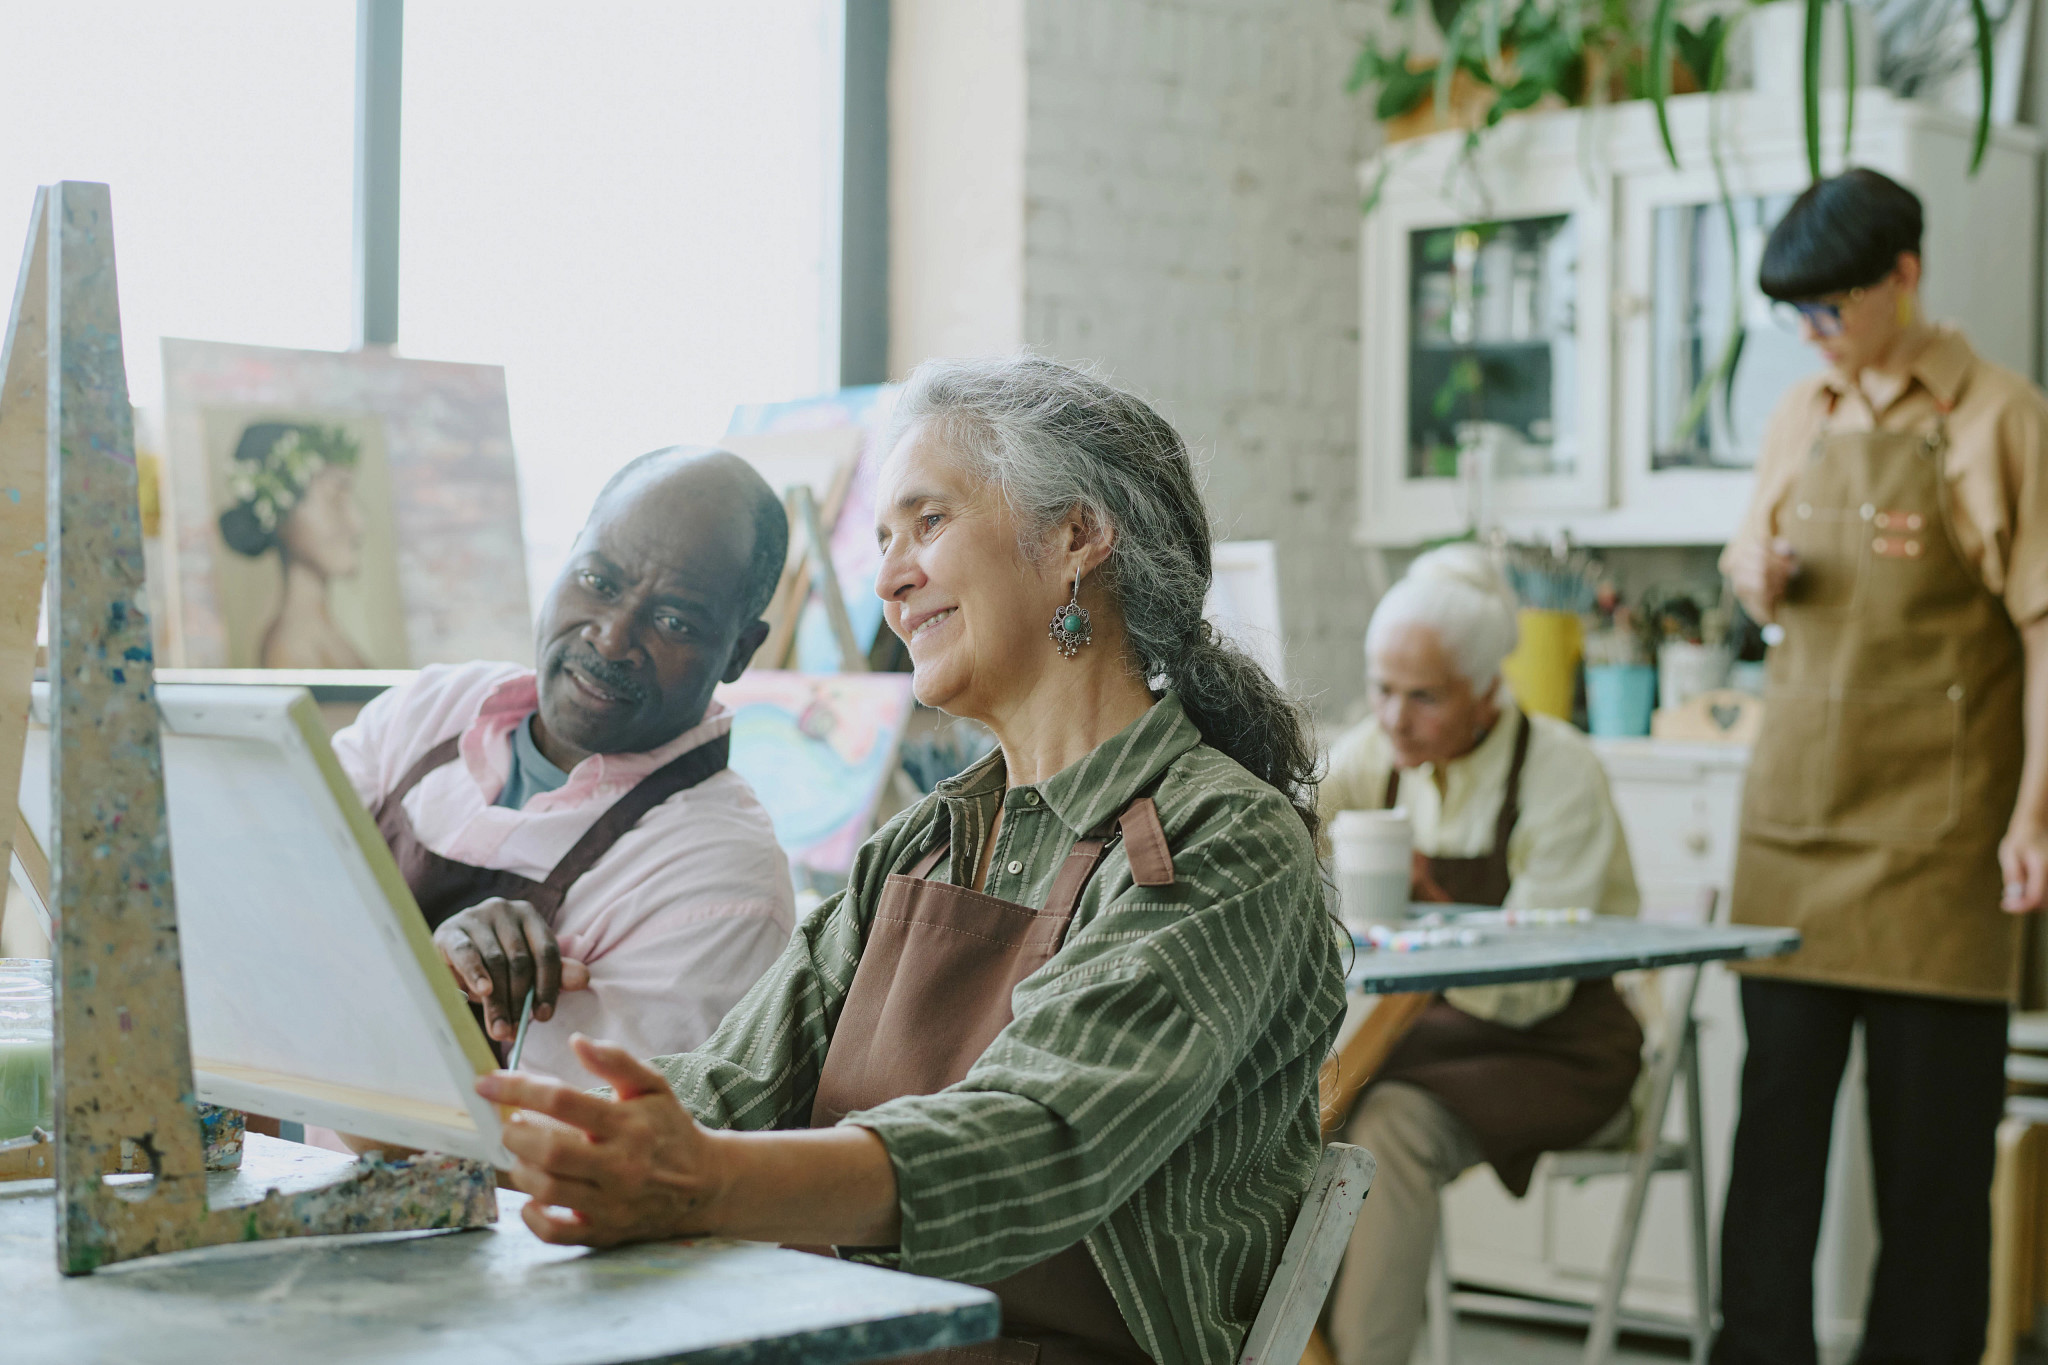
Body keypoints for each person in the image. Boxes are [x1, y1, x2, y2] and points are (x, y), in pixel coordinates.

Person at [471, 356, 1345, 1365]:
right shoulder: (921, 844)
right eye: (882, 541)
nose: (888, 579)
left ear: (1076, 536)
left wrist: (705, 1179)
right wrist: (560, 1145)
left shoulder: (1221, 839)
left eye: (928, 524)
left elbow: (1036, 1145)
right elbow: (724, 1089)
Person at [1716, 167, 2048, 1364]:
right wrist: (1750, 578)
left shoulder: (2000, 416)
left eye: (1833, 309)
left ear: (1903, 275)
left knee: (1930, 1174)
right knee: (1772, 1156)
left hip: (1942, 840)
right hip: (1794, 829)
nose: (1815, 336)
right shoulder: (1798, 417)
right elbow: (1753, 570)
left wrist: (2033, 815)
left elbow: (2041, 628)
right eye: (1798, 317)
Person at [330, 447, 797, 1085]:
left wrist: (425, 974)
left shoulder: (720, 877)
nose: (610, 638)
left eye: (672, 621)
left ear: (739, 652)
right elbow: (262, 899)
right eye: (598, 583)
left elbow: (570, 1148)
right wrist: (424, 960)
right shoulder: (429, 708)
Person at [1318, 545, 1642, 1365]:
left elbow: (1527, 987)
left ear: (1485, 687)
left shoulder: (1559, 773)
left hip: (1563, 1045)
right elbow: (1292, 824)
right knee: (1304, 1104)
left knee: (1375, 1116)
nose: (1393, 718)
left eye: (1423, 697)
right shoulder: (1374, 754)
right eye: (1381, 688)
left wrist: (1420, 921)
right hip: (1432, 1041)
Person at [217, 421, 372, 669]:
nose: (358, 523)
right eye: (335, 498)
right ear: (282, 510)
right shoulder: (293, 650)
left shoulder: (323, 635)